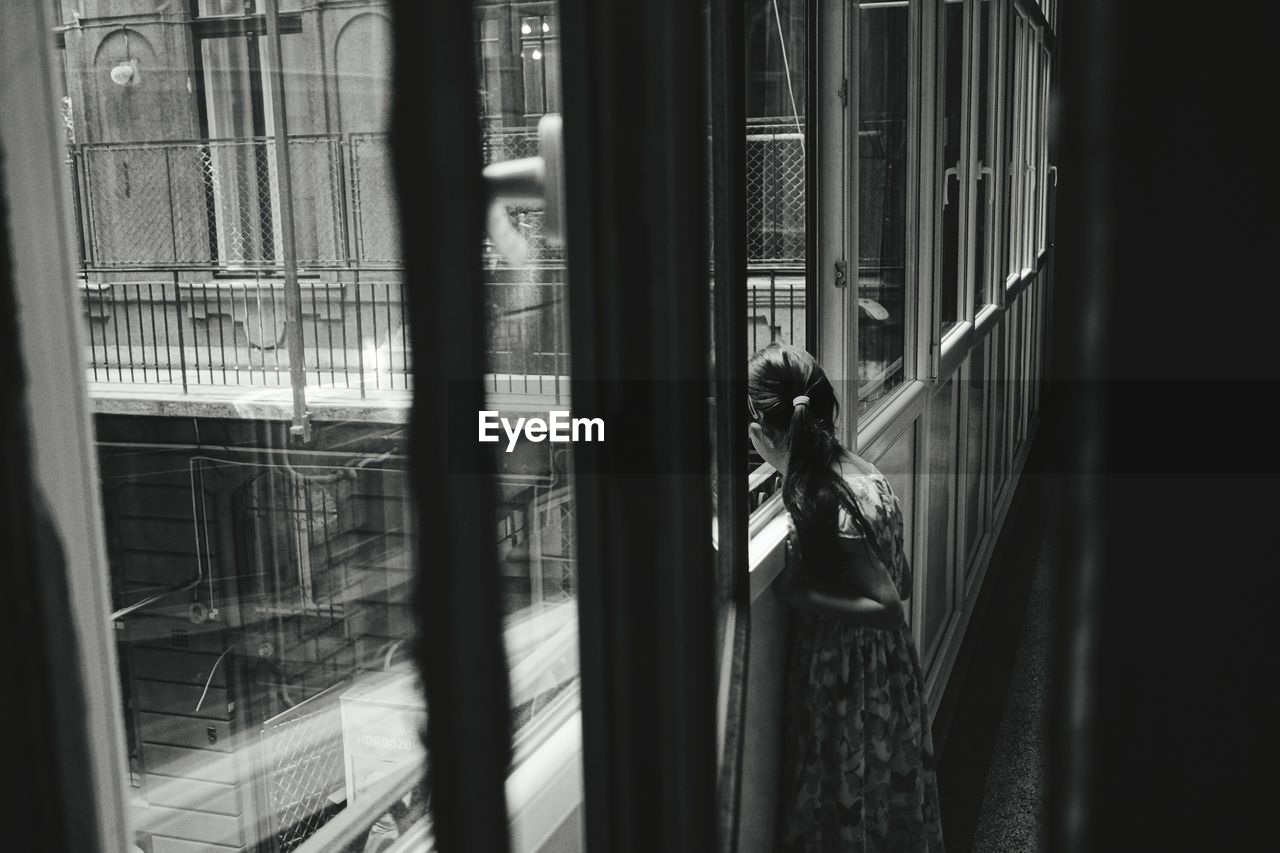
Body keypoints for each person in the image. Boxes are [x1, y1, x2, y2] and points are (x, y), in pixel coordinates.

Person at [747, 342, 944, 852]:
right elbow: (901, 578)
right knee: (882, 790)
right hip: (887, 674)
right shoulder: (859, 470)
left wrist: (801, 594)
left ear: (763, 433)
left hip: (845, 678)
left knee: (841, 792)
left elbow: (888, 606)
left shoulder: (821, 499)